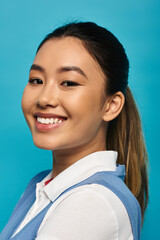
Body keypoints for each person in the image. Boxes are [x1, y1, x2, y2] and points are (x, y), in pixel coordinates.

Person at [0, 21, 148, 240]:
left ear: (111, 105)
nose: (44, 98)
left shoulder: (93, 203)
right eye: (36, 80)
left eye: (68, 83)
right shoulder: (40, 187)